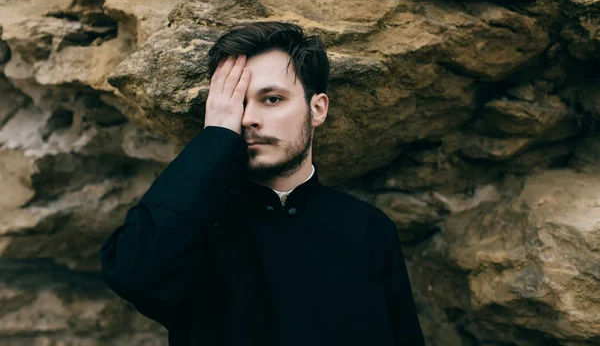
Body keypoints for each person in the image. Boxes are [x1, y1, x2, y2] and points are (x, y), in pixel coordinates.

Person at [100, 21, 425, 345]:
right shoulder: (194, 229)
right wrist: (216, 137)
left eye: (271, 99)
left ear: (317, 109)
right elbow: (133, 275)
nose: (247, 118)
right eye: (236, 103)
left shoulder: (370, 229)